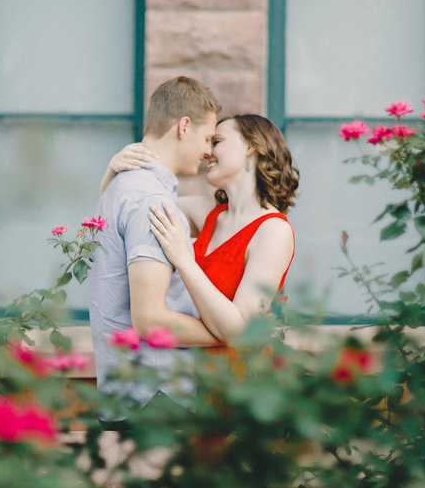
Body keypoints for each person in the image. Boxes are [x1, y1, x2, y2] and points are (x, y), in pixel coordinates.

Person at [88, 76, 222, 414]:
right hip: (156, 396)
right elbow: (149, 320)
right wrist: (227, 332)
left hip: (126, 392)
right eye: (207, 138)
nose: (209, 152)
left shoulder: (120, 187)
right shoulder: (151, 199)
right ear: (183, 126)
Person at [103, 113, 298, 346]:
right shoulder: (207, 214)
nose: (207, 152)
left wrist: (184, 261)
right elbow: (132, 209)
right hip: (192, 374)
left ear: (250, 146)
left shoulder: (274, 231)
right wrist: (113, 171)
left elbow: (244, 329)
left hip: (240, 377)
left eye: (216, 142)